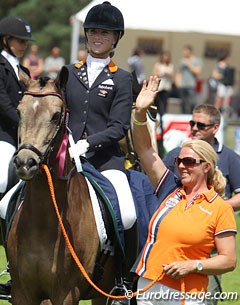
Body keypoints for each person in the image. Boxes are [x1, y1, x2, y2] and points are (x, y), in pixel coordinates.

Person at [132, 76, 237, 305]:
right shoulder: (171, 187)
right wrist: (140, 114)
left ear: (206, 167)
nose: (181, 165)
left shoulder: (220, 209)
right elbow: (145, 150)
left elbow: (229, 260)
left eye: (189, 161)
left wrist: (194, 265)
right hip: (148, 285)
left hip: (187, 294)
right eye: (179, 160)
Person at [59, 1, 137, 301]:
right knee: (13, 201)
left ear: (116, 38)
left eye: (104, 32)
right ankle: (17, 270)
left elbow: (119, 126)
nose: (97, 36)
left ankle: (123, 278)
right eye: (92, 31)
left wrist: (88, 144)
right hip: (66, 158)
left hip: (106, 161)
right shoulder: (69, 72)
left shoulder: (122, 79)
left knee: (128, 214)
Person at [0, 15, 33, 299]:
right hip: (3, 136)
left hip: (20, 138)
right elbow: (3, 104)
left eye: (25, 41)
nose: (23, 45)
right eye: (19, 41)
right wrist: (24, 127)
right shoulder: (0, 66)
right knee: (1, 176)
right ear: (5, 40)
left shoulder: (21, 69)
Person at [163, 104, 240, 211]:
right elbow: (159, 186)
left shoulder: (230, 157)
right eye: (192, 123)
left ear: (215, 128)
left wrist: (215, 206)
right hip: (178, 217)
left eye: (200, 125)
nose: (194, 128)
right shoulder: (175, 154)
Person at [175, 45, 202, 113]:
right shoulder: (182, 60)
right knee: (183, 103)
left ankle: (191, 115)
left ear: (190, 51)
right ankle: (183, 116)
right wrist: (177, 82)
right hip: (182, 84)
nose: (184, 53)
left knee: (192, 103)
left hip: (191, 84)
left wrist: (188, 65)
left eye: (185, 51)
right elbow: (179, 72)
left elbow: (197, 72)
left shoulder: (196, 60)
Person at [213, 51, 235, 116]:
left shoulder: (227, 66)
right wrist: (224, 76)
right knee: (219, 100)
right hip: (221, 85)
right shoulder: (219, 65)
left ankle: (225, 115)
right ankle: (215, 114)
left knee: (227, 101)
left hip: (228, 85)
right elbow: (214, 75)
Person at [152, 50, 174, 115]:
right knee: (157, 102)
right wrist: (161, 73)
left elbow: (172, 75)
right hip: (159, 87)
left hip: (166, 86)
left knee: (165, 102)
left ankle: (164, 114)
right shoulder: (158, 65)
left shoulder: (170, 65)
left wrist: (168, 74)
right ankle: (157, 114)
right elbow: (154, 74)